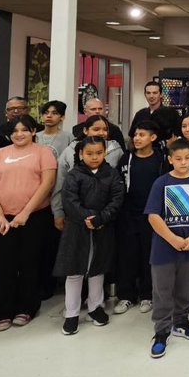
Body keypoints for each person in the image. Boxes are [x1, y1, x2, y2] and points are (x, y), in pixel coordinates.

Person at [0, 114, 57, 330]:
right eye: (15, 131)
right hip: (3, 219)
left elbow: (47, 184)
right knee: (5, 264)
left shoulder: (44, 152)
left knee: (29, 263)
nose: (19, 134)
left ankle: (27, 307)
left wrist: (25, 212)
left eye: (24, 129)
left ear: (33, 131)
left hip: (34, 217)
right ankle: (2, 310)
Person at [144, 138, 189, 359]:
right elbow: (153, 216)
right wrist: (172, 239)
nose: (183, 162)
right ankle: (161, 331)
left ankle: (181, 321)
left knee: (183, 288)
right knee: (162, 290)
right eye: (178, 158)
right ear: (170, 159)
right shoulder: (161, 183)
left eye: (187, 158)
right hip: (164, 247)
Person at [56, 136, 125, 336]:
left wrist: (101, 218)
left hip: (102, 227)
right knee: (75, 270)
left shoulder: (111, 174)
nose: (94, 157)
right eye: (89, 153)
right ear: (81, 154)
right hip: (77, 228)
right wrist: (87, 217)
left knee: (97, 268)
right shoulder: (74, 174)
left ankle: (96, 307)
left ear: (105, 153)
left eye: (99, 153)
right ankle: (72, 313)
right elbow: (69, 200)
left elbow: (117, 198)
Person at [114, 121, 166, 315]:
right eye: (135, 135)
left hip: (152, 215)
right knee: (127, 255)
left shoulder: (161, 159)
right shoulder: (126, 158)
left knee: (148, 255)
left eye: (142, 135)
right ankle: (126, 296)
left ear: (153, 137)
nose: (136, 138)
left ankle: (147, 295)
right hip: (128, 214)